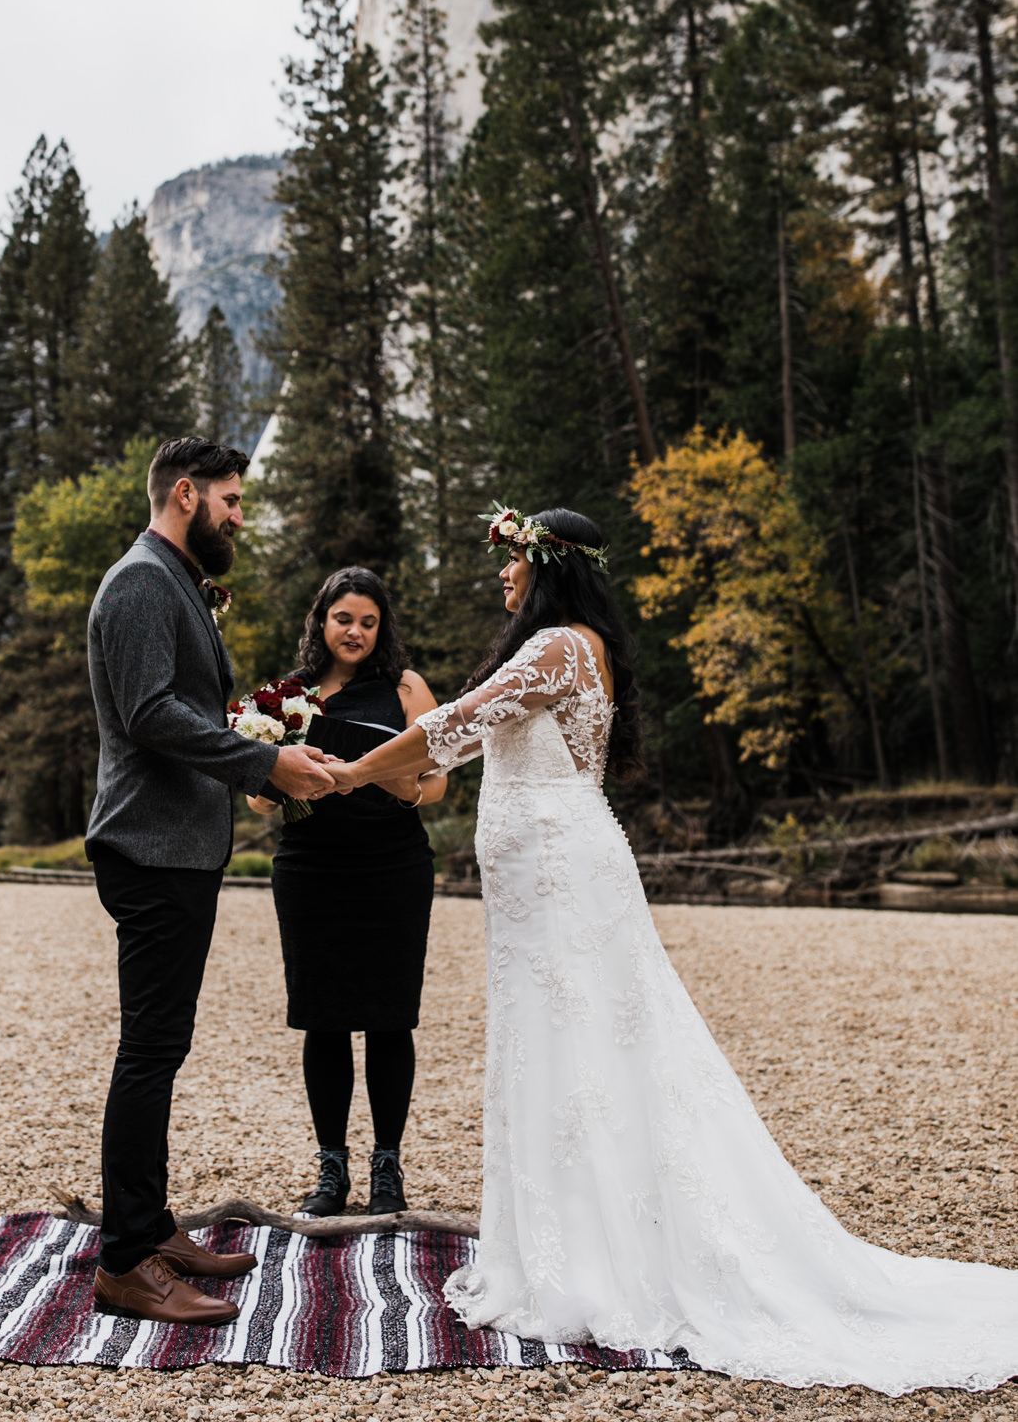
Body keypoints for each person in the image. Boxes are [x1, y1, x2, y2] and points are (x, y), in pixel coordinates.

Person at [324, 503, 1018, 1395]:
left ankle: (608, 1256)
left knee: (585, 1051)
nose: (500, 576)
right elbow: (452, 754)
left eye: (511, 562)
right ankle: (565, 1237)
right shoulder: (551, 648)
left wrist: (345, 770)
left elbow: (456, 724)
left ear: (550, 567)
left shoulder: (560, 647)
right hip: (538, 884)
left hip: (562, 878)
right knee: (555, 1051)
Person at [84, 436, 336, 1327]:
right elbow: (151, 713)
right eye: (230, 498)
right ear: (184, 494)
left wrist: (253, 762)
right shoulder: (144, 582)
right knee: (150, 1050)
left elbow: (184, 712)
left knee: (163, 1045)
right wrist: (262, 769)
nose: (239, 514)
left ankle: (149, 1228)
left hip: (176, 846)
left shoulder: (171, 580)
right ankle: (124, 1262)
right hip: (149, 849)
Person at [247, 568, 444, 1218]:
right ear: (320, 623)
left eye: (367, 621)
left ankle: (387, 1170)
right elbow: (253, 796)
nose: (354, 631)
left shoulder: (407, 687)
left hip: (393, 866)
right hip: (310, 868)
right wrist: (292, 773)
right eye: (342, 619)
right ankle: (331, 1171)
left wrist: (375, 775)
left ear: (380, 627)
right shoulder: (286, 695)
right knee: (323, 1018)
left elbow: (437, 786)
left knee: (390, 1017)